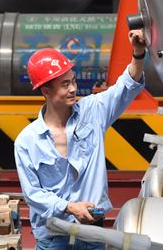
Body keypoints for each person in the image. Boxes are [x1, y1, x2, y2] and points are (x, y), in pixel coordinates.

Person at [14, 29, 151, 250]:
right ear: (46, 91)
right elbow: (33, 194)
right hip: (53, 238)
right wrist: (70, 207)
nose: (73, 89)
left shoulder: (93, 112)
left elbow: (127, 85)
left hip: (91, 234)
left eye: (73, 81)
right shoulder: (27, 141)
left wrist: (138, 53)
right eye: (64, 84)